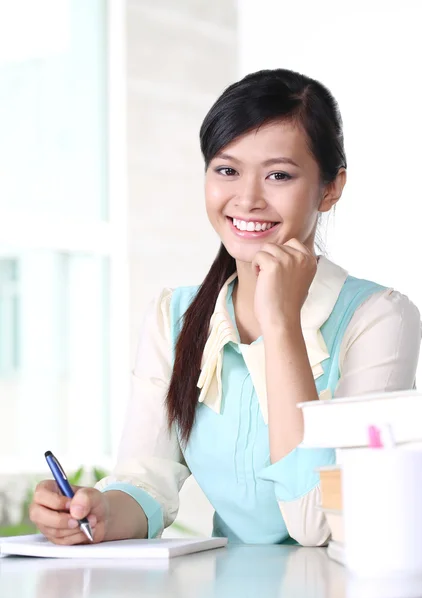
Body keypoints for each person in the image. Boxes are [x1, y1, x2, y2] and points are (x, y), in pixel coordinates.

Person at [30, 68, 421, 546]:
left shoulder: (380, 318)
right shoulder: (174, 317)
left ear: (331, 187)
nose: (248, 199)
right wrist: (99, 513)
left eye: (279, 174)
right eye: (227, 170)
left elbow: (319, 524)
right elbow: (147, 480)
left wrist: (281, 327)